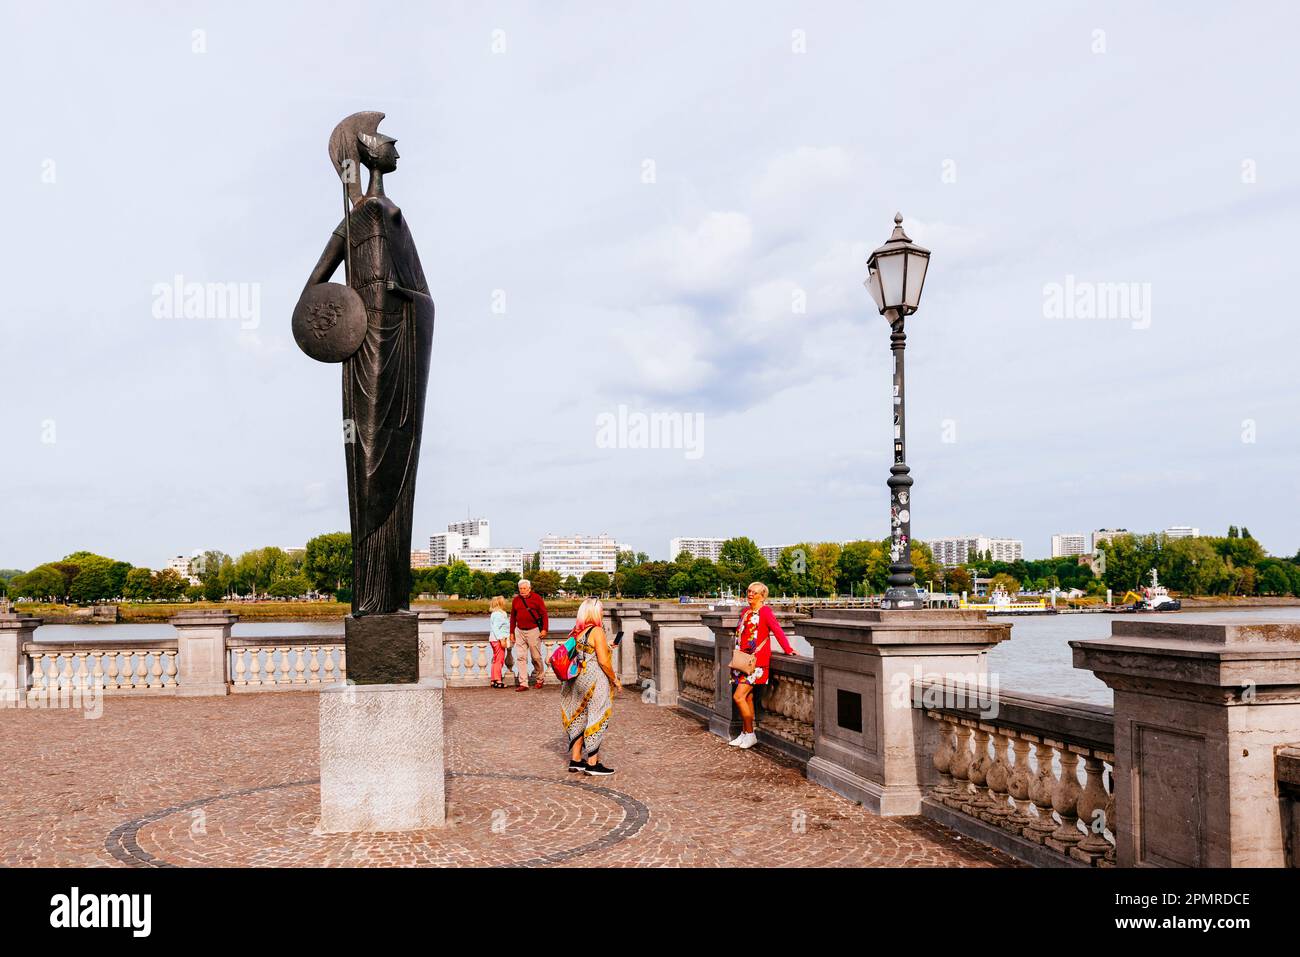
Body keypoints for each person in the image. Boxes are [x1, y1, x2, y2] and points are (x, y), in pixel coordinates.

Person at [730, 581, 794, 749]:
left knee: (738, 696)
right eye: (749, 591)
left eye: (754, 592)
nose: (750, 594)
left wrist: (788, 649)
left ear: (762, 596)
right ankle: (744, 733)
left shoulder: (765, 612)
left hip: (757, 663)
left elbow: (777, 630)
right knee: (747, 698)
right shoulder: (745, 612)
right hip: (743, 661)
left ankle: (750, 734)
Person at [560, 598, 618, 775]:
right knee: (598, 717)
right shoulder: (597, 631)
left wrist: (606, 646)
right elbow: (603, 661)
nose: (602, 613)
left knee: (580, 717)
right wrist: (614, 679)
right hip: (594, 680)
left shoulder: (578, 630)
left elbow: (586, 651)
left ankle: (576, 760)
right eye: (600, 610)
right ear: (594, 612)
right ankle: (593, 763)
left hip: (578, 680)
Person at [510, 578, 549, 691]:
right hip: (519, 631)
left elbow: (544, 614)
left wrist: (544, 629)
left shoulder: (537, 598)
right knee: (521, 657)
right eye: (520, 589)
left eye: (524, 588)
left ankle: (540, 679)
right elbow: (513, 617)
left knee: (536, 657)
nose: (522, 591)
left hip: (533, 630)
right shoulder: (516, 600)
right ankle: (523, 683)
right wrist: (512, 632)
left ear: (529, 589)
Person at [487, 596, 509, 688]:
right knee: (499, 660)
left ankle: (493, 680)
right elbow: (496, 628)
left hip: (494, 639)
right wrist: (501, 639)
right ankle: (498, 680)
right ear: (500, 603)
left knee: (496, 660)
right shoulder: (498, 614)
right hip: (498, 639)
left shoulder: (495, 613)